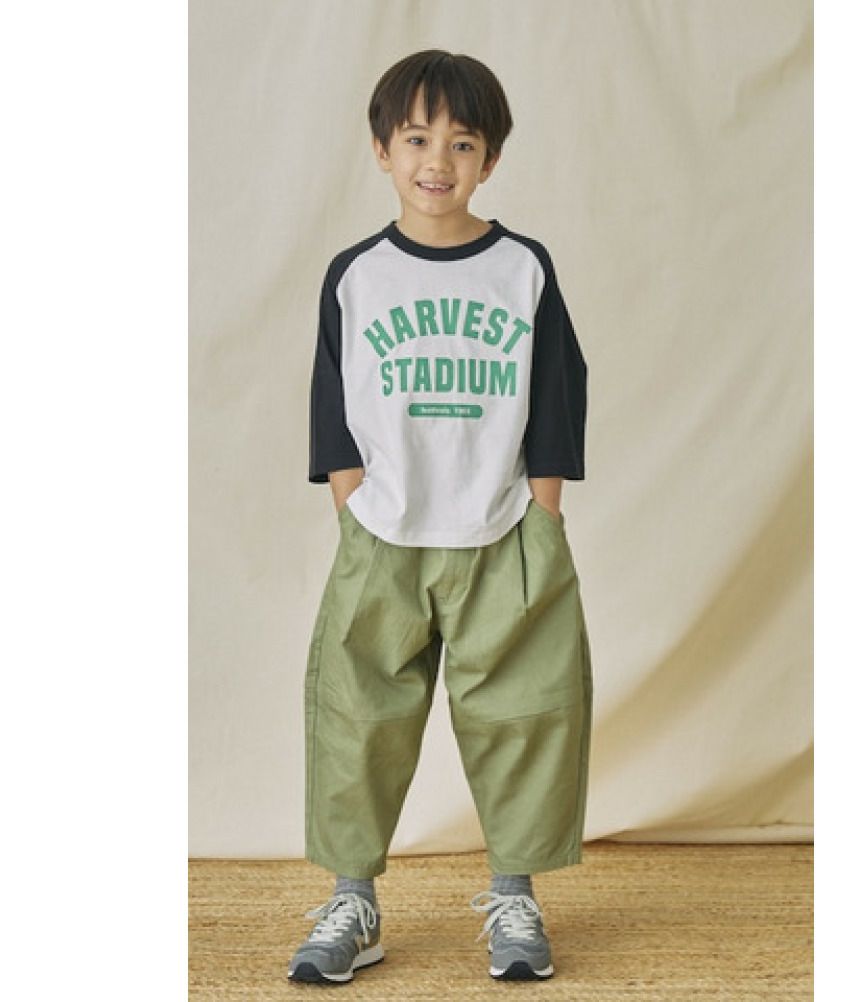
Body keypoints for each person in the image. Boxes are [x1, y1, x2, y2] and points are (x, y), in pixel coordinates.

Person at [288, 48, 593, 985]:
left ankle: (515, 898)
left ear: (490, 159)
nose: (438, 160)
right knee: (357, 718)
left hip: (503, 534)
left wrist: (543, 518)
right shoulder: (357, 273)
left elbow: (558, 393)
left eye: (463, 143)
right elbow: (332, 400)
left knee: (524, 715)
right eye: (417, 138)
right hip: (384, 534)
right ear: (382, 148)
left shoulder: (522, 268)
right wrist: (352, 509)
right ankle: (353, 902)